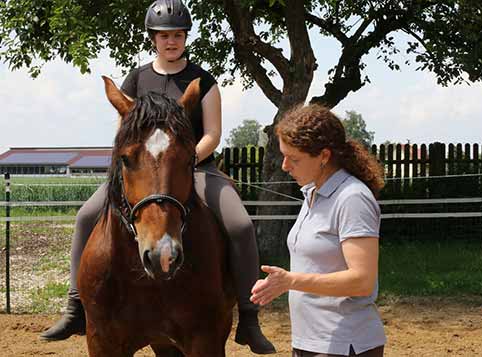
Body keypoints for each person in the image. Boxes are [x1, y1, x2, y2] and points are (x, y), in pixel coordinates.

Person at [40, 0, 276, 354]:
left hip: (193, 167)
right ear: (154, 38)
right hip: (141, 171)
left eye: (178, 35)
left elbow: (212, 133)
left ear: (185, 38)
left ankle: (249, 316)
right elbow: (125, 133)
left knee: (240, 225)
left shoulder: (203, 81)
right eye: (165, 36)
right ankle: (75, 306)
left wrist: (184, 159)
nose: (171, 42)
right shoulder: (136, 78)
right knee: (86, 215)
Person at [250, 104, 386, 357]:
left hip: (344, 344)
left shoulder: (352, 198)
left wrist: (290, 281)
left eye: (295, 158)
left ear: (324, 156)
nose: (285, 166)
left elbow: (362, 281)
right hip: (312, 342)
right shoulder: (313, 193)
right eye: (283, 155)